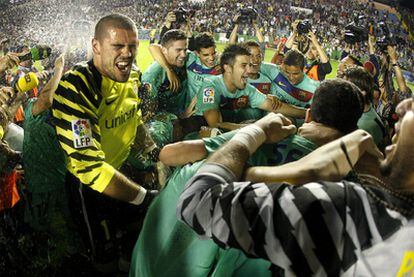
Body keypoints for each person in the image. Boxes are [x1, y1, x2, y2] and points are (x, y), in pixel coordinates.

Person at [131, 78, 364, 276]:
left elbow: (171, 154)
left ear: (310, 114)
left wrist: (253, 131)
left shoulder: (259, 140)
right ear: (353, 132)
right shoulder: (350, 189)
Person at [178, 96, 414, 275]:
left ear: (310, 116)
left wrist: (253, 132)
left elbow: (197, 201)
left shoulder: (346, 211)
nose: (403, 106)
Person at [51, 14, 157, 272]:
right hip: (88, 189)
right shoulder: (76, 87)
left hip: (121, 174)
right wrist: (143, 197)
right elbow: (90, 169)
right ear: (96, 46)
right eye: (118, 46)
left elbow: (135, 120)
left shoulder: (133, 76)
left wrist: (153, 152)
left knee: (133, 236)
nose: (127, 53)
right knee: (104, 255)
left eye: (132, 46)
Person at [194, 44, 306, 128]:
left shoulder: (247, 89)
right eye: (244, 66)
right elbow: (215, 124)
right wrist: (253, 127)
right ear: (227, 68)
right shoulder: (210, 85)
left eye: (249, 65)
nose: (248, 71)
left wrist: (308, 113)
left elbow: (275, 106)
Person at [343, 66, 387, 148]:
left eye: (346, 87)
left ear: (362, 92)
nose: (341, 90)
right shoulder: (351, 110)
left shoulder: (366, 126)